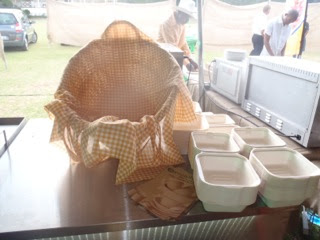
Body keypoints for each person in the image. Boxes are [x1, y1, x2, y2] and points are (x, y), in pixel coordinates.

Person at [158, 0, 198, 71]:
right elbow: (172, 48)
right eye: (185, 16)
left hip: (176, 56)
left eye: (188, 17)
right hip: (164, 58)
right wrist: (187, 63)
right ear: (179, 12)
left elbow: (183, 43)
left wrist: (190, 58)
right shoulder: (167, 25)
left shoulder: (181, 23)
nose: (186, 20)